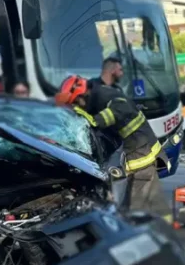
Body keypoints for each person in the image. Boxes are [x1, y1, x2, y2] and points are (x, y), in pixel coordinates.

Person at [55, 75, 170, 222]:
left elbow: (107, 117)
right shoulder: (99, 96)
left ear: (83, 95)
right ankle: (164, 226)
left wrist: (82, 115)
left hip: (142, 152)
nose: (80, 106)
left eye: (77, 102)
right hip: (139, 149)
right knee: (151, 198)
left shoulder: (106, 97)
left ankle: (148, 233)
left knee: (137, 202)